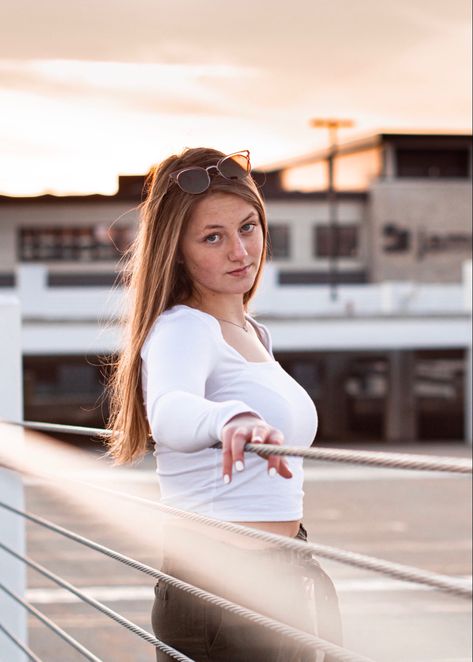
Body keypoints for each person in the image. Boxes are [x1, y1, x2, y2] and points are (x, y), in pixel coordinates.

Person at [104, 147, 342, 661]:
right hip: (225, 592)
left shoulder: (253, 333)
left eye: (248, 227)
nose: (240, 251)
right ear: (178, 251)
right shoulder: (183, 328)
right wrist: (225, 417)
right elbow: (169, 409)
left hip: (282, 575)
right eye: (213, 237)